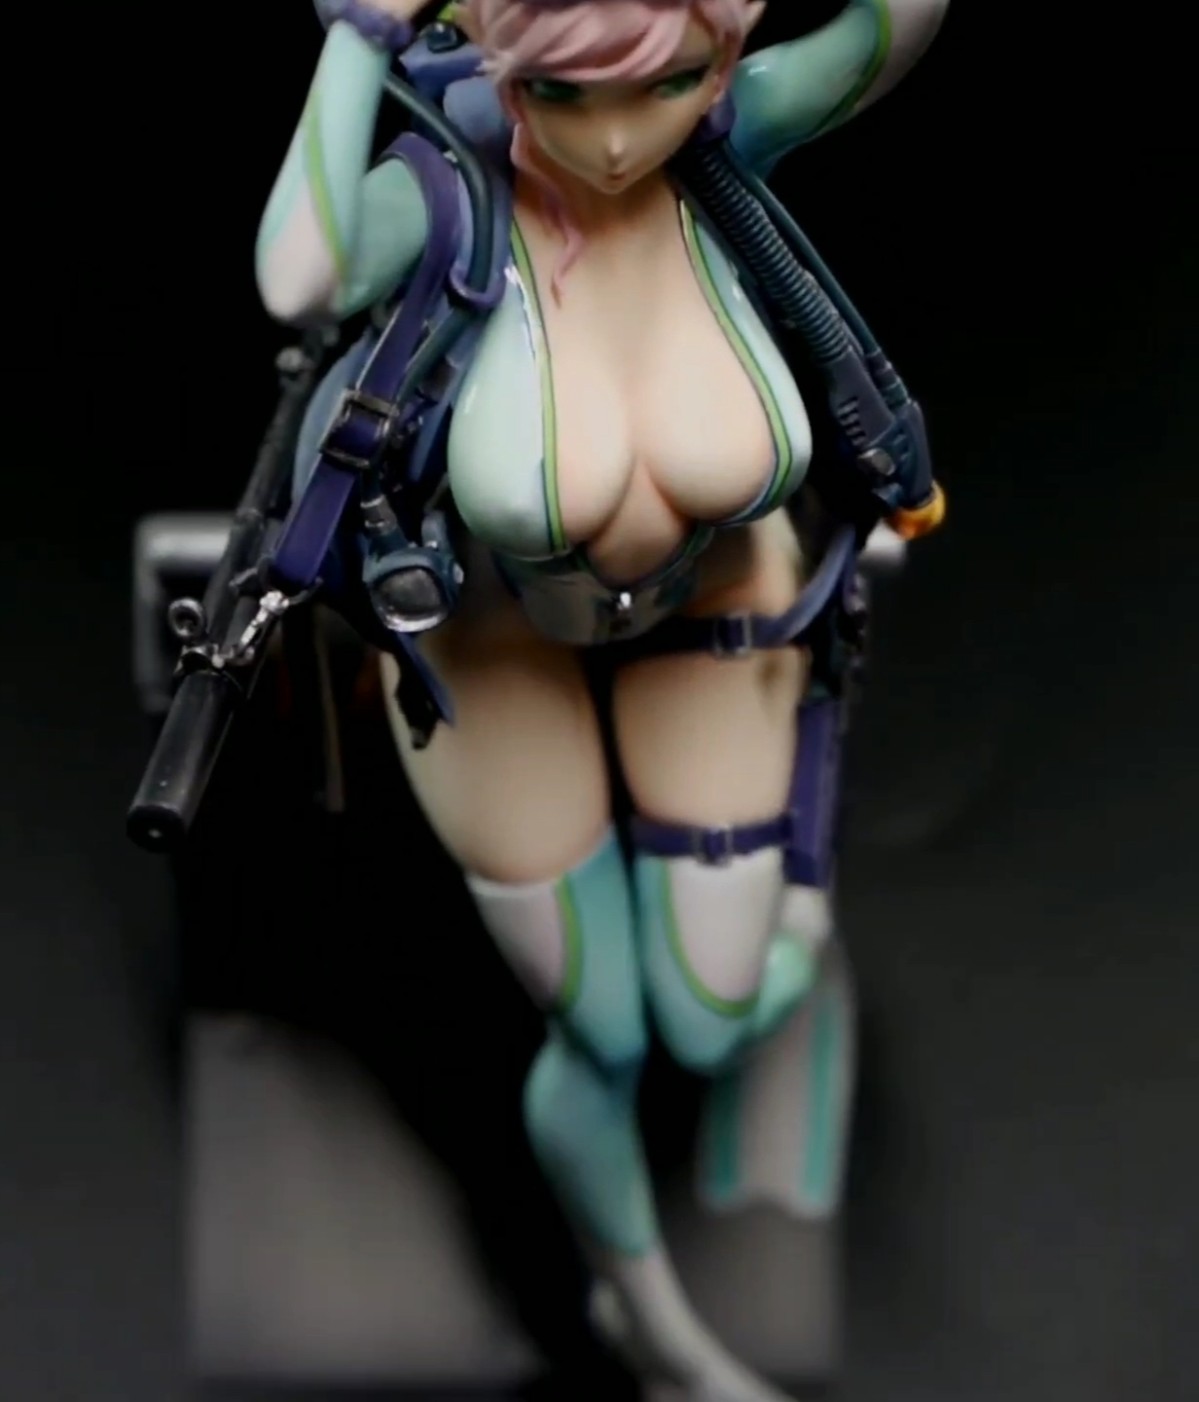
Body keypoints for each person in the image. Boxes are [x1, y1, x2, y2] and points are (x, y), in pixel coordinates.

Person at [256, 4, 949, 1398]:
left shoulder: (737, 135)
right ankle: (652, 1323)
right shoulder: (447, 192)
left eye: (668, 81)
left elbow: (896, 24)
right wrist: (361, 30)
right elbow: (302, 278)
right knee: (605, 1033)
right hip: (490, 639)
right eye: (566, 94)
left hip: (718, 603)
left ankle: (800, 938)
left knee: (711, 1013)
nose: (621, 138)